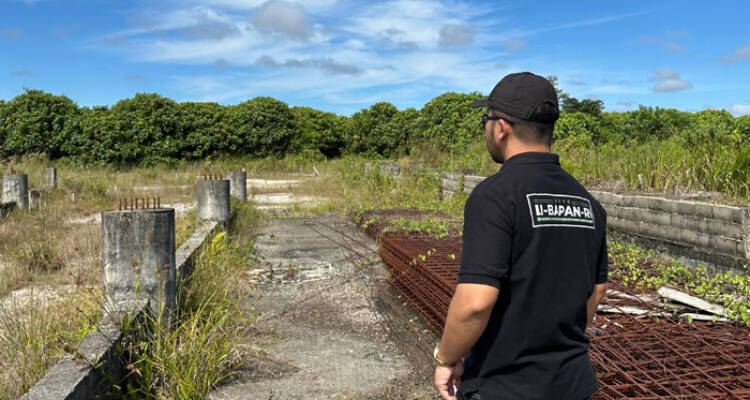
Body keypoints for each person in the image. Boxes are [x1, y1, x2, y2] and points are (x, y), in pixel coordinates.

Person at [433, 72, 609, 400]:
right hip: (573, 384)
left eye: (486, 119)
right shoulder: (588, 203)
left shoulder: (495, 196)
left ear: (501, 127)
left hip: (505, 386)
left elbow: (474, 303)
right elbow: (597, 289)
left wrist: (446, 357)